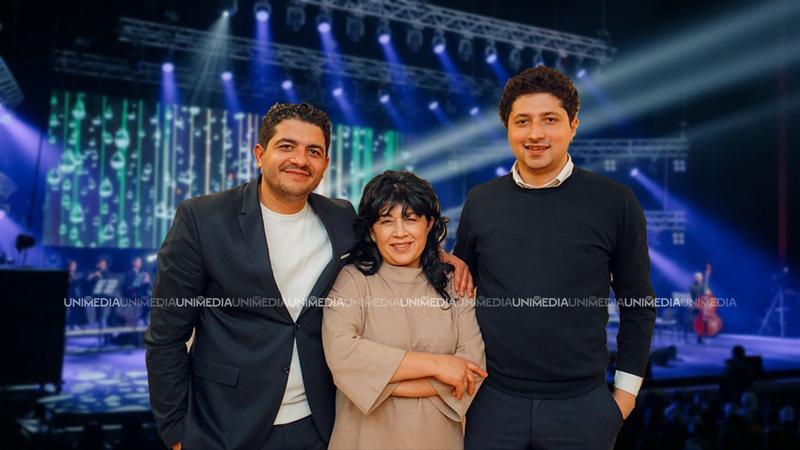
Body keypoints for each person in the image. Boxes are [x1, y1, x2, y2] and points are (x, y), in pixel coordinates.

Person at [145, 103, 472, 450]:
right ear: (260, 154)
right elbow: (166, 336)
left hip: (319, 423)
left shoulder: (340, 217)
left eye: (313, 151)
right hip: (227, 422)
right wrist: (176, 433)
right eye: (287, 146)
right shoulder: (203, 217)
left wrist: (444, 257)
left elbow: (392, 239)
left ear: (325, 164)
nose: (300, 160)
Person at [455, 66, 657, 450]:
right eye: (523, 121)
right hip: (490, 401)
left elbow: (638, 302)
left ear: (573, 125)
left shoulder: (615, 201)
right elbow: (460, 295)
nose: (535, 134)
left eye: (550, 120)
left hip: (582, 406)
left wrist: (625, 396)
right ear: (507, 128)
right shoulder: (481, 201)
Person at [322, 170, 486, 449]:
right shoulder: (352, 280)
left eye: (410, 219)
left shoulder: (453, 282)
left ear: (429, 224)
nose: (400, 233)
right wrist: (438, 366)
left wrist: (379, 381)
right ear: (371, 231)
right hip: (365, 439)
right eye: (386, 221)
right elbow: (343, 355)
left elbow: (472, 368)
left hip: (436, 438)